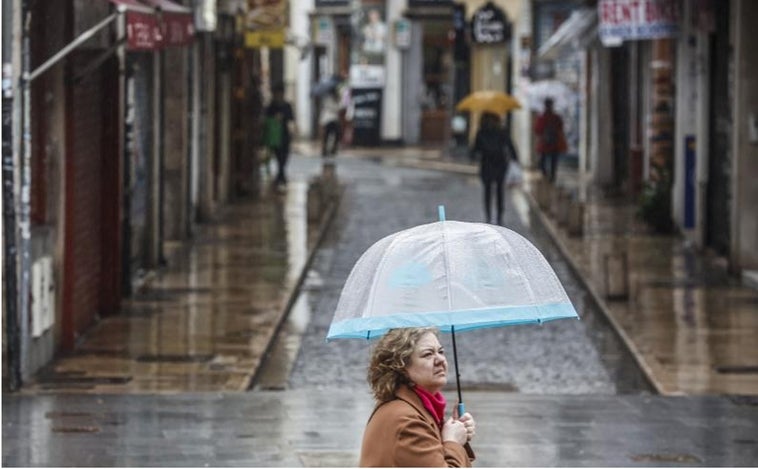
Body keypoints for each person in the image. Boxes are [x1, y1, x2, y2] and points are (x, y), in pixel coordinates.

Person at [360, 327, 476, 467]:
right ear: (401, 366)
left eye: (441, 352)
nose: (440, 360)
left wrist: (456, 433)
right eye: (428, 354)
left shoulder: (417, 408)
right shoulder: (407, 421)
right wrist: (453, 442)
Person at [471, 112, 518, 225]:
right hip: (498, 164)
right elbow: (510, 146)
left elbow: (474, 150)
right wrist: (515, 159)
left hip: (488, 164)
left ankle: (490, 216)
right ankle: (498, 217)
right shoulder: (501, 131)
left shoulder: (481, 132)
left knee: (489, 191)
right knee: (498, 191)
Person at [264, 82, 295, 185]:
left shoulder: (287, 106)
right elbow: (266, 118)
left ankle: (280, 175)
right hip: (275, 135)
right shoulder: (271, 106)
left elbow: (291, 119)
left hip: (285, 134)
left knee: (284, 156)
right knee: (278, 155)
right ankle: (281, 175)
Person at [534, 97, 566, 183]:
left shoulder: (542, 117)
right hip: (555, 143)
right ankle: (552, 176)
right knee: (553, 161)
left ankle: (546, 175)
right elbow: (561, 127)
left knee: (542, 161)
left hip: (544, 143)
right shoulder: (556, 117)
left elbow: (537, 130)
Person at [319, 86, 342, 157]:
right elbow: (338, 108)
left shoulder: (335, 99)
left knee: (334, 136)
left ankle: (332, 149)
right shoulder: (329, 100)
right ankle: (326, 150)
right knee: (326, 136)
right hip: (329, 120)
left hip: (332, 120)